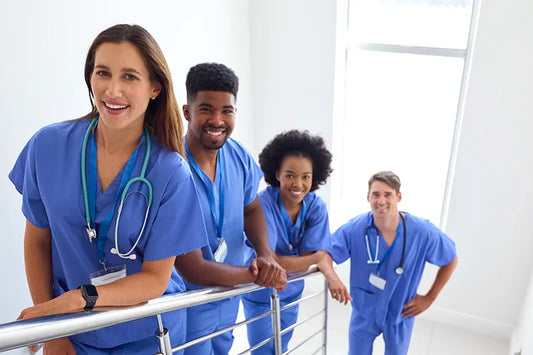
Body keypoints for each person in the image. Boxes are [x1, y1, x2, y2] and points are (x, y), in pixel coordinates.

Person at [9, 24, 210, 354]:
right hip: (74, 330)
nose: (113, 90)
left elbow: (155, 279)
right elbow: (38, 241)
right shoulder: (48, 146)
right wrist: (54, 329)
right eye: (103, 73)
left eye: (130, 77)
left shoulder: (170, 172)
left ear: (155, 87)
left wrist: (78, 299)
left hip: (147, 329)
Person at [177, 62, 287, 355]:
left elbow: (251, 209)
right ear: (187, 111)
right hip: (190, 303)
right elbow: (191, 268)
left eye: (227, 110)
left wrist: (265, 254)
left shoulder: (239, 157)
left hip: (230, 296)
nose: (217, 120)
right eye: (206, 109)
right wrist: (258, 274)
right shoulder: (172, 167)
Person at [319, 171, 458, 355]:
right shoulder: (356, 229)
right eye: (376, 194)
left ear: (398, 197)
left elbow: (451, 259)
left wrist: (429, 298)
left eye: (388, 194)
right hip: (365, 310)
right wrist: (333, 279)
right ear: (368, 197)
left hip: (400, 314)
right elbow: (324, 255)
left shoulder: (422, 232)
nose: (381, 200)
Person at [241, 130, 333, 354]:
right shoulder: (263, 203)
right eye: (290, 175)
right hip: (259, 294)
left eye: (306, 177)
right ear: (277, 174)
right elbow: (270, 262)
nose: (298, 184)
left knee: (281, 347)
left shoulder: (316, 207)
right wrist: (314, 258)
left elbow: (281, 261)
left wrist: (290, 261)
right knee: (263, 350)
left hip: (291, 293)